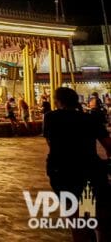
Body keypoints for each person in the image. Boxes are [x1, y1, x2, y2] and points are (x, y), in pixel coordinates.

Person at [43, 87, 111, 241]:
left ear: (58, 101)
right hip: (90, 172)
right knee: (101, 220)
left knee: (78, 222)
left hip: (63, 173)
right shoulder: (90, 119)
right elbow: (108, 145)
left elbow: (51, 143)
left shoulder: (50, 118)